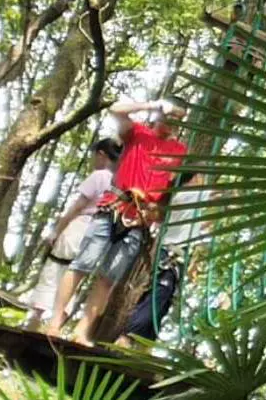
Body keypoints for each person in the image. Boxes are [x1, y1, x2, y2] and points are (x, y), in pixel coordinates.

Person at [49, 96, 189, 342]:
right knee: (82, 264)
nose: (171, 123)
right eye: (169, 116)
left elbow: (167, 193)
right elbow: (116, 110)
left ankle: (82, 331)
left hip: (140, 221)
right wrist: (153, 105)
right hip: (113, 207)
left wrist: (152, 212)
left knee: (107, 278)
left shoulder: (179, 151)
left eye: (176, 119)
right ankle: (54, 323)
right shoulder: (138, 133)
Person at [19, 139, 121, 329]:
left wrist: (56, 231)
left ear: (101, 155)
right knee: (75, 276)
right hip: (99, 233)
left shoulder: (100, 176)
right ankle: (56, 324)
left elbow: (77, 206)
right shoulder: (119, 181)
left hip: (80, 226)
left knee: (55, 268)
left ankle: (35, 320)